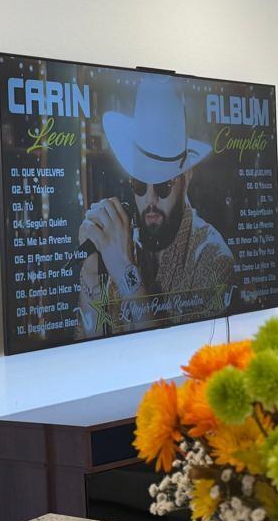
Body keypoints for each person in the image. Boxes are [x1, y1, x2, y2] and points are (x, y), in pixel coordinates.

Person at [77, 74, 234, 337]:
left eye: (163, 186)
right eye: (140, 185)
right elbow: (89, 339)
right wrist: (92, 272)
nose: (150, 200)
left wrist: (125, 271)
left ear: (186, 178)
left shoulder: (213, 258)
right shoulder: (123, 241)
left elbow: (172, 351)